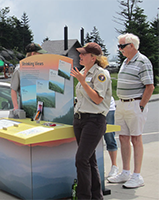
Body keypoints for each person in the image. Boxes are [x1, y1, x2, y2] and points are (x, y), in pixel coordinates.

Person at [107, 33, 154, 189]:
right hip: (123, 104)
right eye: (119, 46)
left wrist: (141, 106)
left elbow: (150, 86)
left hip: (134, 104)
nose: (119, 49)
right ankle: (126, 171)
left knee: (136, 139)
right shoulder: (126, 62)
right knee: (123, 138)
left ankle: (137, 175)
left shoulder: (142, 61)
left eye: (122, 46)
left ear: (131, 46)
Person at [71, 42, 111, 200]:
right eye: (80, 54)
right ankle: (96, 196)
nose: (80, 56)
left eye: (83, 54)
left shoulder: (100, 74)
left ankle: (84, 196)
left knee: (81, 159)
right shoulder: (83, 71)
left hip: (94, 120)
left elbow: (97, 99)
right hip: (80, 119)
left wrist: (82, 82)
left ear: (93, 58)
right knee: (89, 159)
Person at [10, 43, 47, 110]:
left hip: (41, 106)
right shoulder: (19, 69)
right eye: (40, 53)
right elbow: (13, 89)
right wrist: (16, 107)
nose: (42, 55)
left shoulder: (42, 68)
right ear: (33, 54)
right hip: (26, 108)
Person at [105, 96, 119, 177]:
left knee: (109, 137)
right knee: (93, 139)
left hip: (107, 108)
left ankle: (114, 166)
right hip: (92, 109)